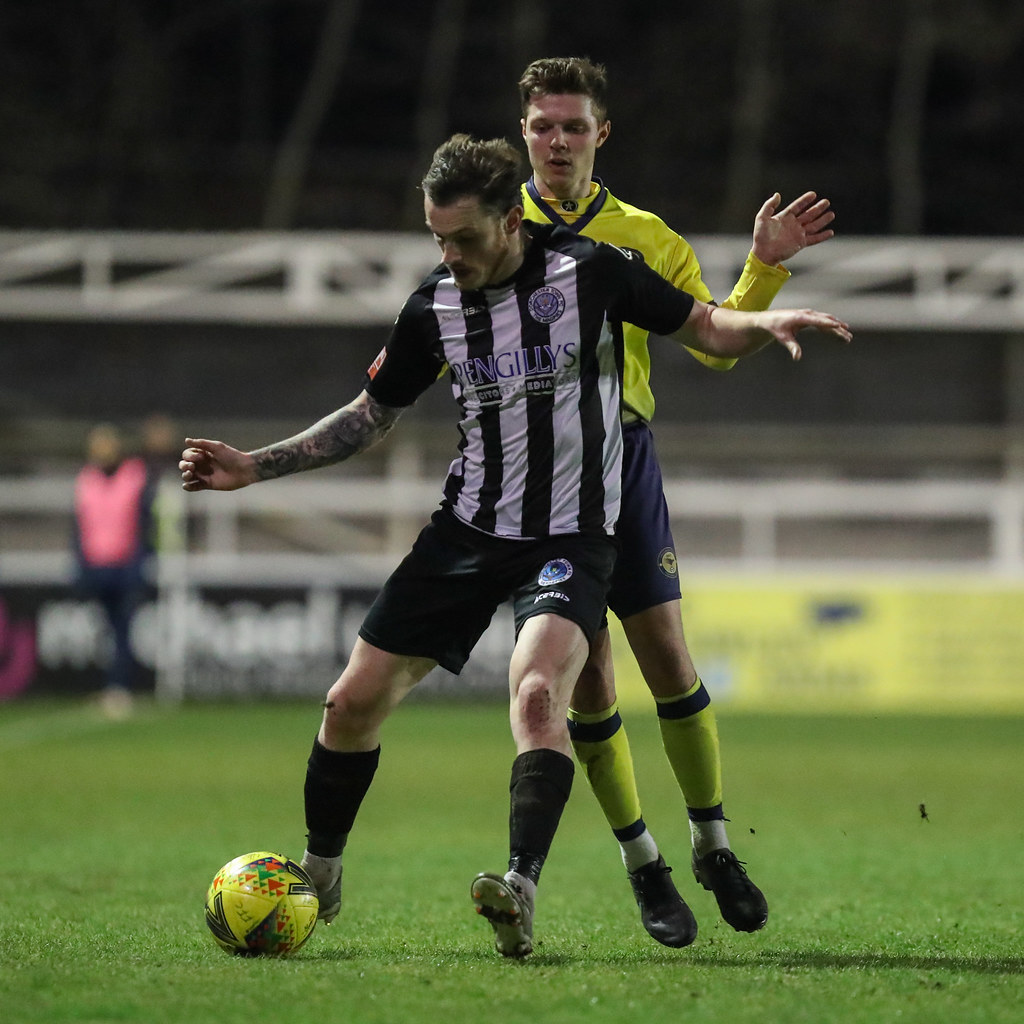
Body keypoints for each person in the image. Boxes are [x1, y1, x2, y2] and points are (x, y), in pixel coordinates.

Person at [179, 134, 850, 959]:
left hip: (571, 535)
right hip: (466, 530)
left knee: (538, 696)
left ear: (510, 221)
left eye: (463, 239)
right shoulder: (434, 308)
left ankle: (522, 888)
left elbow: (707, 330)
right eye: (438, 240)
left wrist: (767, 313)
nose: (450, 255)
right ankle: (320, 872)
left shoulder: (592, 271)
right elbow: (370, 416)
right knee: (348, 705)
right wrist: (255, 465)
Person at [516, 56, 837, 946]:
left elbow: (711, 340)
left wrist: (764, 276)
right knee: (587, 680)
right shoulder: (498, 228)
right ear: (524, 134)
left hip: (624, 460)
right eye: (542, 126)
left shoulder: (645, 235)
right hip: (535, 476)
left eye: (573, 126)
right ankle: (644, 865)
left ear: (601, 134)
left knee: (668, 659)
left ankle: (712, 843)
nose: (556, 142)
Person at [72, 423, 151, 718]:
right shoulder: (86, 479)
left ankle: (119, 688)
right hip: (97, 566)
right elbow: (79, 527)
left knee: (123, 629)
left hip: (126, 566)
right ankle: (113, 686)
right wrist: (80, 565)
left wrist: (141, 562)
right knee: (108, 631)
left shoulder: (135, 476)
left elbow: (145, 524)